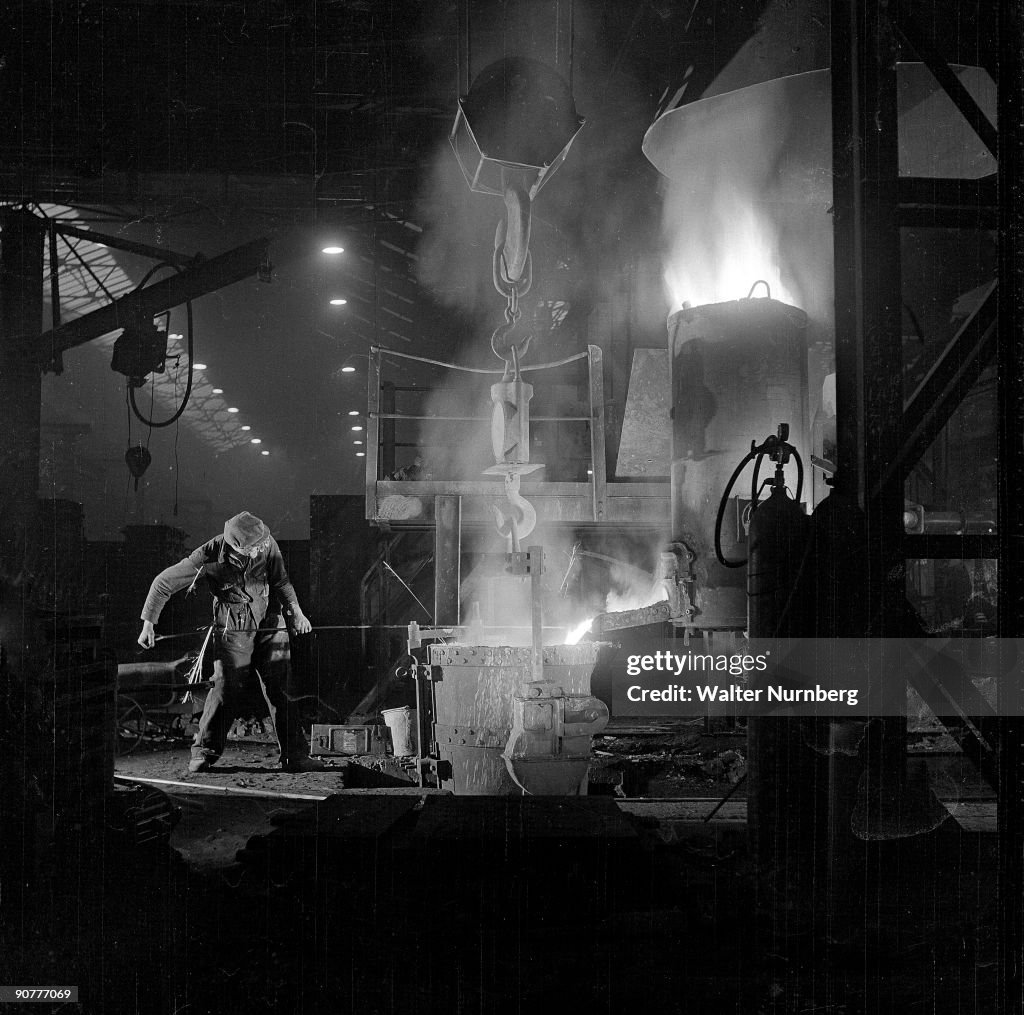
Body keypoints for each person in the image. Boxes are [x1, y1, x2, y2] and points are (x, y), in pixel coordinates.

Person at [138, 511, 321, 773]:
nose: (262, 549)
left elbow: (281, 581)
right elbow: (163, 583)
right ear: (237, 547)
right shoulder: (208, 555)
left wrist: (297, 613)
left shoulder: (266, 543)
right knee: (226, 688)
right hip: (233, 629)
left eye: (263, 543)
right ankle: (203, 752)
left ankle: (295, 756)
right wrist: (148, 624)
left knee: (283, 688)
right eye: (255, 547)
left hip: (270, 622)